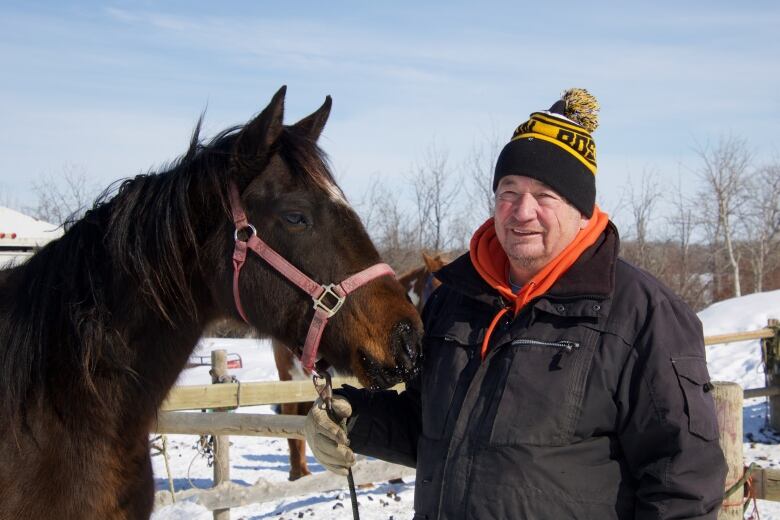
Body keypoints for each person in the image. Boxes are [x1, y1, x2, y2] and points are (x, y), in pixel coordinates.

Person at [305, 89, 727, 519]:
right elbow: (430, 427)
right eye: (509, 191)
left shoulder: (642, 315)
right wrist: (354, 418)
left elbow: (683, 482)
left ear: (582, 210)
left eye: (545, 195)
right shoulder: (454, 299)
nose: (522, 211)